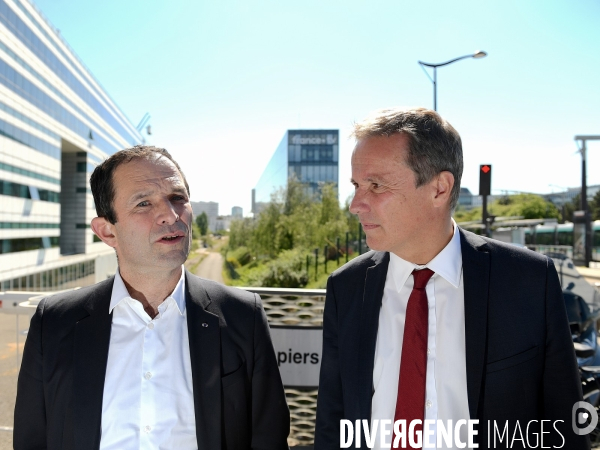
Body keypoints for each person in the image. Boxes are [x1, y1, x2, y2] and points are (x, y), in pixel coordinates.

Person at [314, 108, 589, 449]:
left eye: (376, 185)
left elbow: (564, 425)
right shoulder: (347, 288)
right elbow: (333, 422)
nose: (356, 204)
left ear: (439, 188)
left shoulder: (529, 281)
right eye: (357, 185)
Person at [14, 145, 290, 450]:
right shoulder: (54, 322)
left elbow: (269, 439)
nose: (170, 215)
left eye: (177, 198)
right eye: (144, 203)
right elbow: (31, 439)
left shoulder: (242, 316)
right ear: (107, 232)